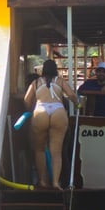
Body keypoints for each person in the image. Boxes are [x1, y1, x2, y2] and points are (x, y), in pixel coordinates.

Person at [24, 58, 78, 190]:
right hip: (58, 110)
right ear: (55, 70)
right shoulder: (59, 81)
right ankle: (55, 182)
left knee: (40, 150)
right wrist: (77, 104)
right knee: (56, 151)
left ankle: (42, 181)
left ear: (43, 70)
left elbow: (27, 99)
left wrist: (30, 110)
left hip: (40, 110)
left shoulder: (36, 82)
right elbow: (71, 94)